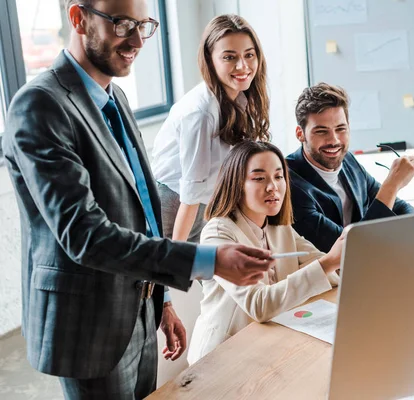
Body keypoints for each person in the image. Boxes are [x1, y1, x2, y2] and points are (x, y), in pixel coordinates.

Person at [1, 1, 274, 399]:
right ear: (78, 18)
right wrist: (209, 260)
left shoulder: (115, 98)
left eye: (144, 25)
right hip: (89, 324)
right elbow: (85, 236)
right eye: (123, 23)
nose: (136, 41)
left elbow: (142, 209)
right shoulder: (40, 105)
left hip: (138, 310)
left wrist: (160, 300)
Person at [186, 141, 343, 364]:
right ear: (236, 185)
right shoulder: (218, 233)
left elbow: (327, 270)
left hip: (267, 345)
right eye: (259, 178)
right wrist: (328, 264)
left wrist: (329, 264)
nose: (273, 187)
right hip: (222, 357)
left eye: (279, 177)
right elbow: (258, 305)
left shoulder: (278, 227)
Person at [151, 14, 269, 243]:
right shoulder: (201, 113)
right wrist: (176, 259)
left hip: (206, 202)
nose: (242, 66)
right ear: (210, 59)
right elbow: (190, 194)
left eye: (249, 55)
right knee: (172, 275)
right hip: (176, 205)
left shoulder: (240, 98)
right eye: (229, 57)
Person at [286, 83, 414, 252]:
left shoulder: (348, 160)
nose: (334, 140)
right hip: (331, 274)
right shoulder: (287, 184)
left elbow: (399, 207)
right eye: (321, 131)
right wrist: (392, 184)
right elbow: (352, 247)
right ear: (300, 134)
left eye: (340, 129)